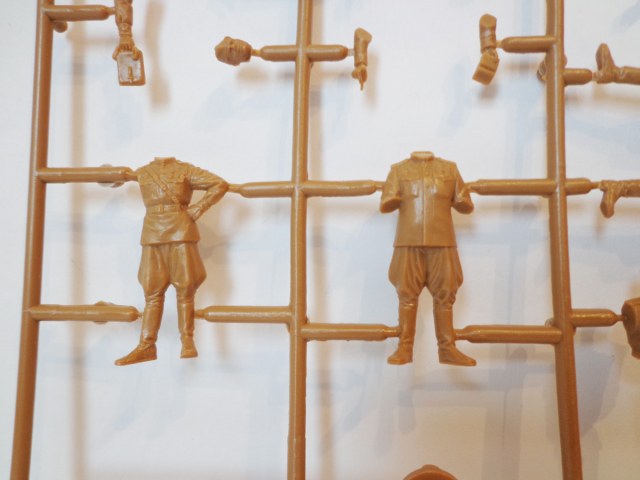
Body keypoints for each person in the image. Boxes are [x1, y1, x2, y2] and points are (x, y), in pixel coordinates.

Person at [115, 157, 228, 366]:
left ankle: (187, 340)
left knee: (185, 287)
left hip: (180, 231)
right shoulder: (144, 171)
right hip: (152, 233)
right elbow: (121, 176)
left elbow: (219, 184)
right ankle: (146, 345)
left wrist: (199, 208)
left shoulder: (185, 170)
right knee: (152, 290)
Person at [380, 151, 475, 366]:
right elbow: (386, 203)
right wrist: (393, 198)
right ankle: (405, 347)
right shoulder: (398, 170)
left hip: (443, 240)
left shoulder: (450, 169)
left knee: (446, 293)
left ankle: (447, 348)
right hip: (408, 240)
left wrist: (459, 198)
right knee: (406, 294)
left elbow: (465, 203)